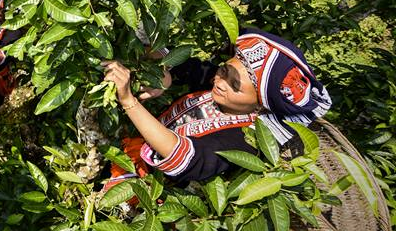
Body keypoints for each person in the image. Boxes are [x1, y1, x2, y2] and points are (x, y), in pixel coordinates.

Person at [102, 29, 332, 184]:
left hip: (146, 191)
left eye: (235, 85)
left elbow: (189, 160)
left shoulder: (246, 140)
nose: (219, 82)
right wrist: (165, 75)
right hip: (128, 153)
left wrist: (128, 101)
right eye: (224, 70)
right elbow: (187, 66)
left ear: (260, 105)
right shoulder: (220, 84)